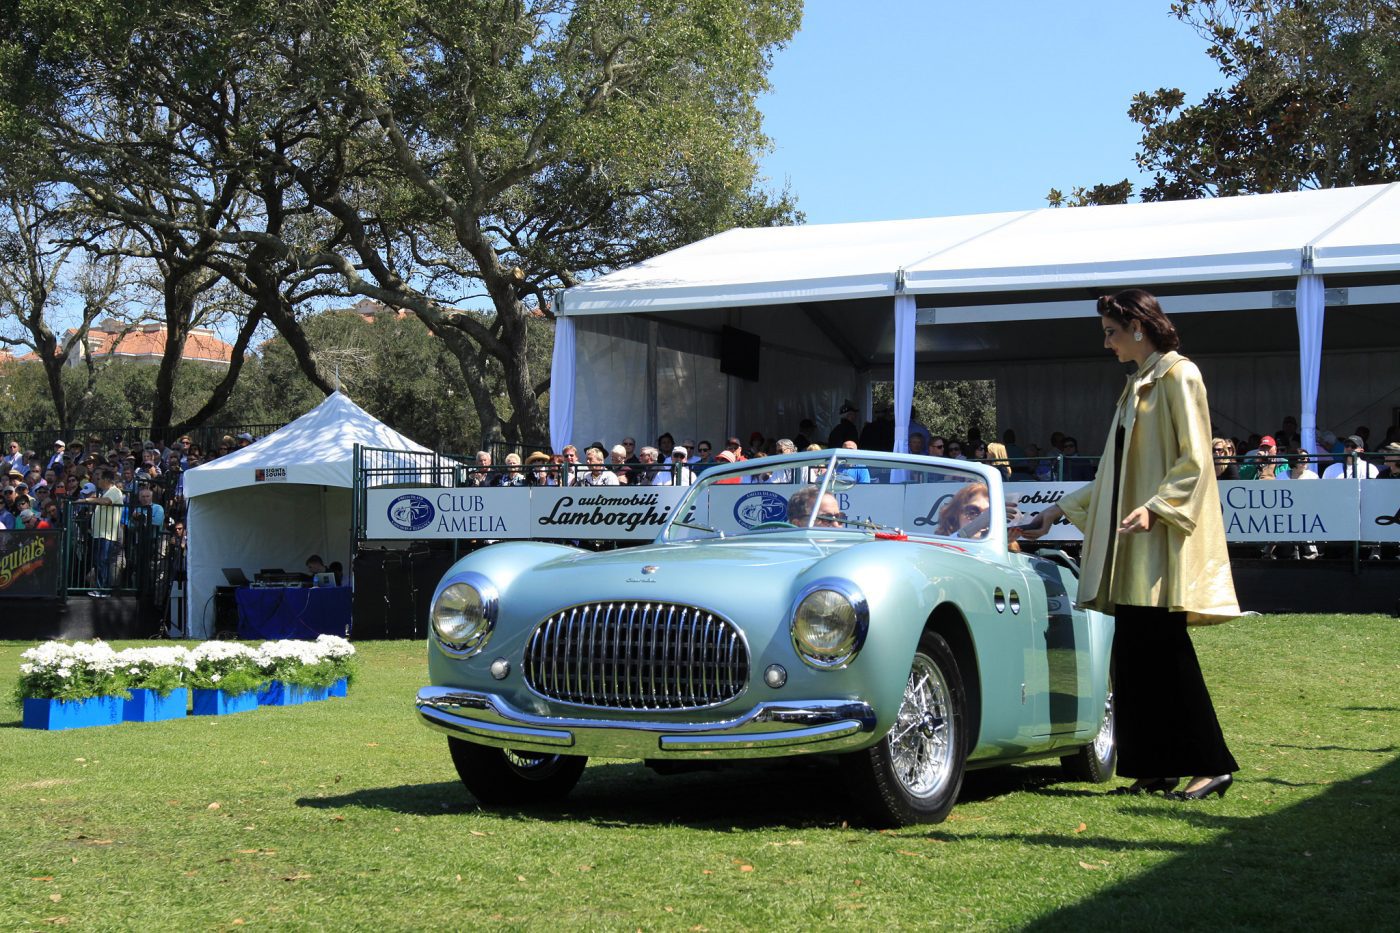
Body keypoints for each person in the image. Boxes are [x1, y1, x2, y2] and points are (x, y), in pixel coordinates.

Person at [1018, 288, 1239, 802]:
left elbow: (1196, 460)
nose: (1107, 343)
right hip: (1131, 545)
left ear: (1137, 327)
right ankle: (1156, 767)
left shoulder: (1179, 375)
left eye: (1110, 332)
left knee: (1165, 652)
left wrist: (1157, 507)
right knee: (1137, 657)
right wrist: (1054, 513)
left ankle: (1212, 764)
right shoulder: (1137, 384)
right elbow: (1111, 478)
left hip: (1158, 543)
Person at [82, 470, 126, 596]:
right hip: (99, 533)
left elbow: (107, 501)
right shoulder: (105, 492)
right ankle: (100, 588)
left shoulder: (115, 491)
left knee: (103, 560)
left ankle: (103, 590)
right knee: (98, 561)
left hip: (107, 533)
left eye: (100, 478)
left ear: (106, 480)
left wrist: (87, 500)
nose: (98, 480)